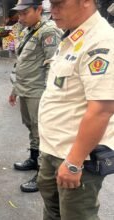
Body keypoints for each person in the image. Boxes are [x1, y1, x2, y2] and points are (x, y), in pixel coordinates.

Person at [36, 0, 114, 219]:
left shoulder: (101, 41)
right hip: (53, 149)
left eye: (59, 3)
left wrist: (73, 162)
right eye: (51, 3)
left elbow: (102, 109)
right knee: (53, 212)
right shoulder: (73, 36)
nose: (53, 10)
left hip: (76, 157)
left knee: (76, 215)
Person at [9, 0, 62, 193]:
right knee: (31, 127)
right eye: (19, 14)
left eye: (24, 13)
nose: (20, 17)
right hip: (25, 89)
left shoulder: (48, 31)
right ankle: (33, 158)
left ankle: (42, 174)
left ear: (39, 9)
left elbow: (52, 64)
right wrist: (15, 89)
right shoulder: (28, 31)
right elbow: (22, 63)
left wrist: (50, 96)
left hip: (39, 92)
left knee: (42, 131)